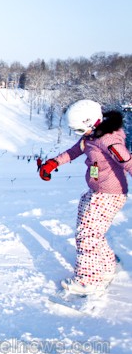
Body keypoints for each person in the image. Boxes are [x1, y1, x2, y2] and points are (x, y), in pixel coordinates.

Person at [39, 99, 132, 295]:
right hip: (98, 191)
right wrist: (53, 163)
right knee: (90, 227)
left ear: (93, 122)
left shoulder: (108, 140)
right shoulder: (91, 136)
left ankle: (88, 280)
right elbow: (75, 150)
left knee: (87, 234)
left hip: (109, 194)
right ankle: (106, 266)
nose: (79, 135)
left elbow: (128, 162)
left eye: (81, 130)